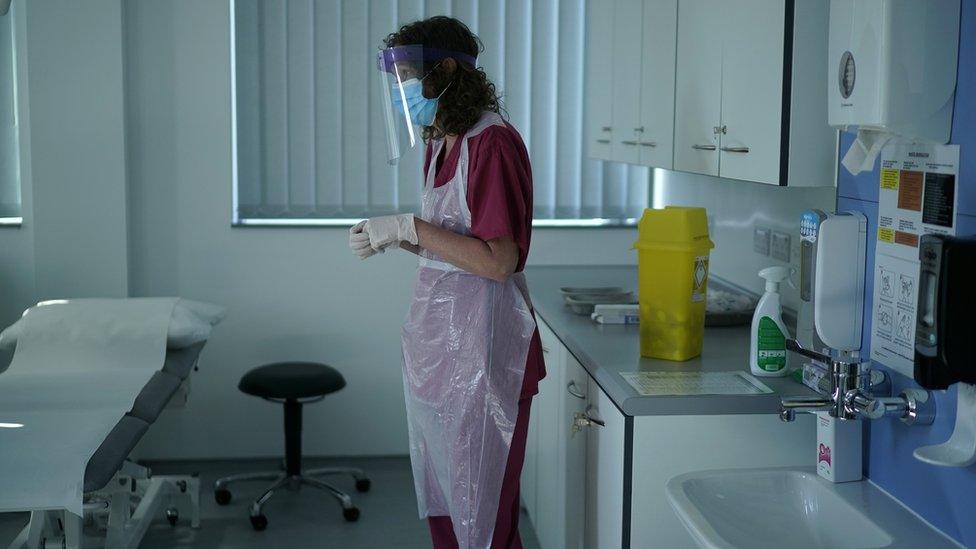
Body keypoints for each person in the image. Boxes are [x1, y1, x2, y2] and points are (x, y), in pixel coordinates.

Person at [348, 16, 545, 549]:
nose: (401, 92)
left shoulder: (491, 144)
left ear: (447, 70)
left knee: (484, 521)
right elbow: (454, 244)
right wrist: (395, 238)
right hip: (441, 354)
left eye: (409, 78)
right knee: (448, 512)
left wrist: (410, 226)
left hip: (486, 355)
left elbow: (498, 262)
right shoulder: (442, 140)